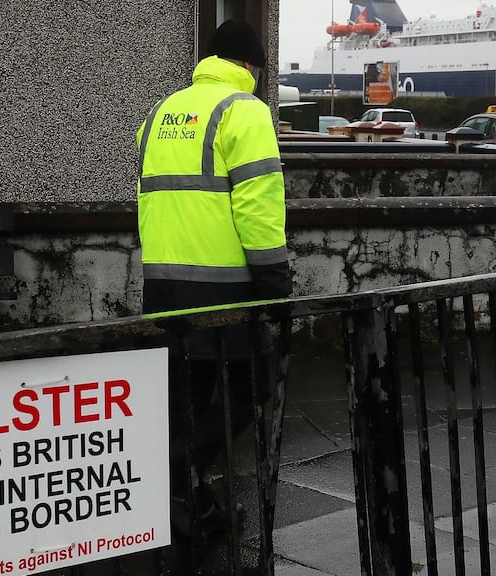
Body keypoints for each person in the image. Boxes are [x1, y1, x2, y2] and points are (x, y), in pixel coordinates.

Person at [134, 18, 292, 555]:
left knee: (188, 396)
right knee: (253, 389)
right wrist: (275, 284)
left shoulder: (160, 112)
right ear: (248, 66)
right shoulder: (244, 111)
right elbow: (258, 206)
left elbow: (152, 199)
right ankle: (177, 478)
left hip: (164, 286)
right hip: (226, 288)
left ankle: (187, 503)